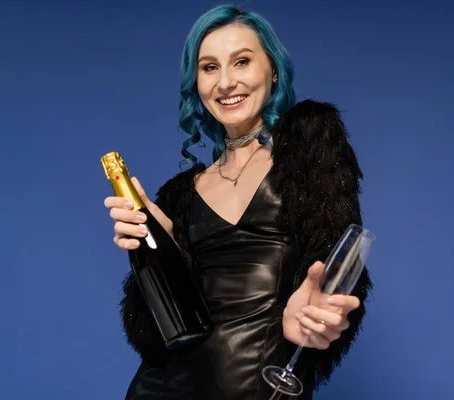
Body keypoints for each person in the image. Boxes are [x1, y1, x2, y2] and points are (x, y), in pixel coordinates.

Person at [103, 5, 372, 399]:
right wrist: (164, 251)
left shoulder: (309, 140)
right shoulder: (180, 193)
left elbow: (340, 260)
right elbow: (159, 329)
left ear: (273, 70)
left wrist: (321, 311)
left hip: (258, 389)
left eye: (241, 62)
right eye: (209, 67)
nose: (226, 82)